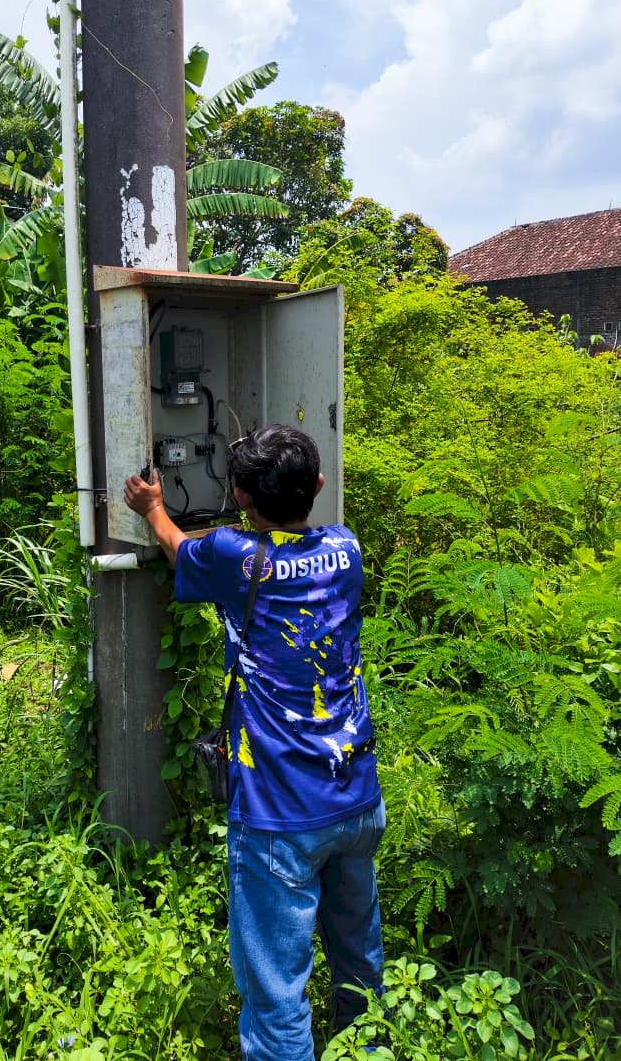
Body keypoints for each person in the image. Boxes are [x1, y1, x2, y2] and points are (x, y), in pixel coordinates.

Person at [124, 424, 385, 1061]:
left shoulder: (232, 558)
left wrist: (152, 505)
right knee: (361, 964)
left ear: (240, 495)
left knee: (276, 994)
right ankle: (370, 1046)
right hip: (355, 796)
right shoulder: (346, 548)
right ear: (319, 487)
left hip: (279, 815)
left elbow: (177, 546)